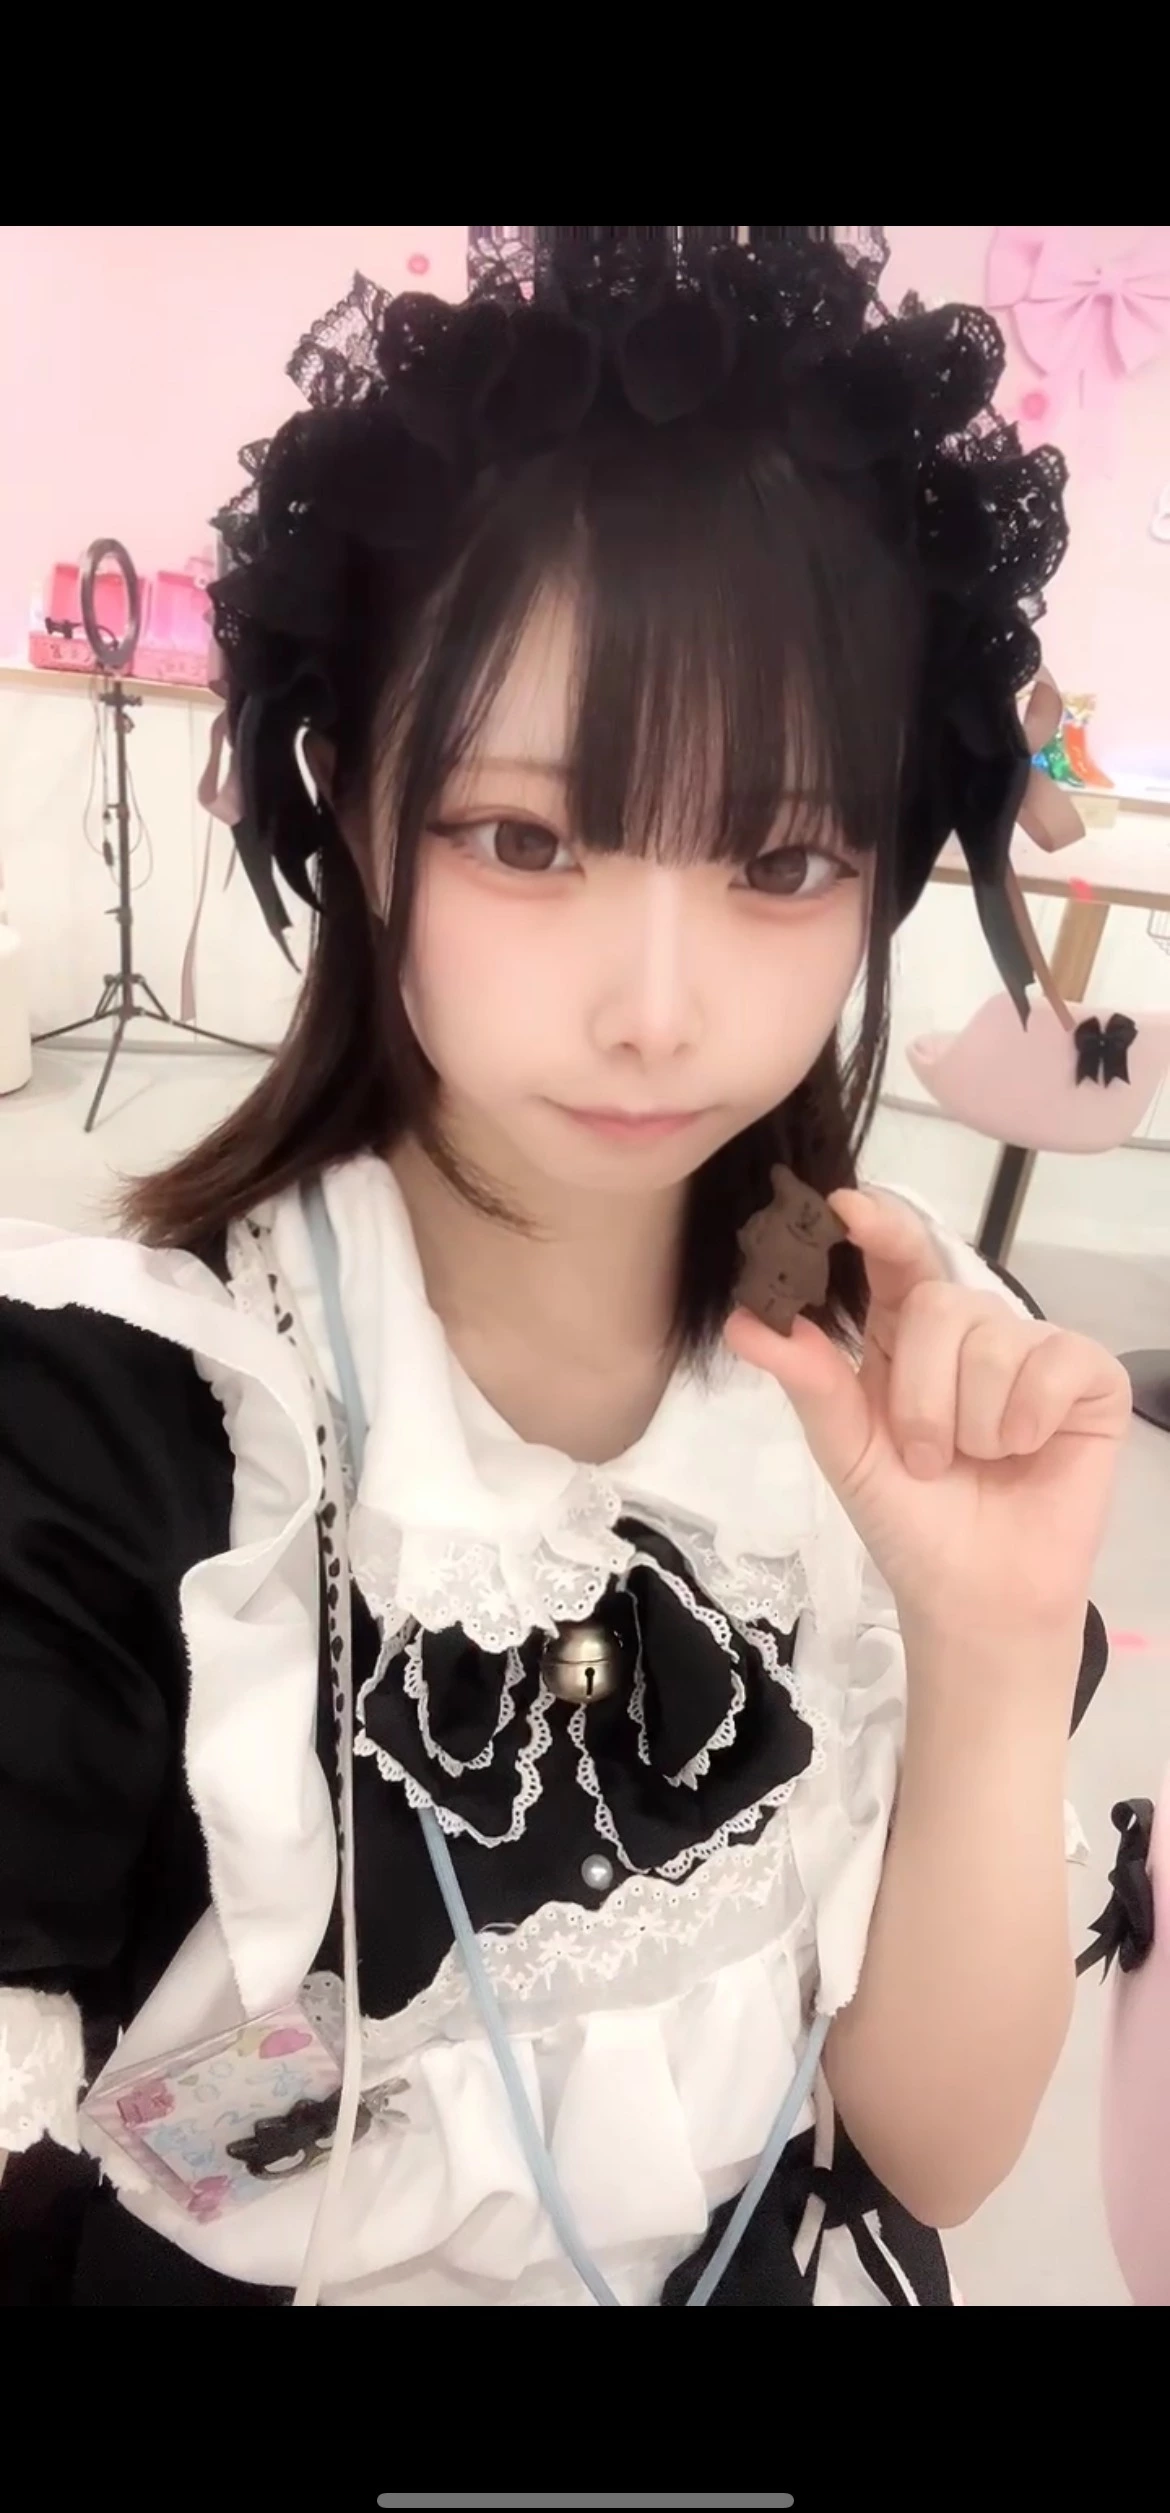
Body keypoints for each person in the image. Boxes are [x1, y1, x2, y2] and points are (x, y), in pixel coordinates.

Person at [0, 230, 1130, 2307]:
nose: (656, 1011)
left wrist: (986, 1652)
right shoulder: (112, 1446)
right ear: (357, 809)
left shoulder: (896, 1406)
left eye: (780, 861)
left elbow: (928, 2151)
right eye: (527, 841)